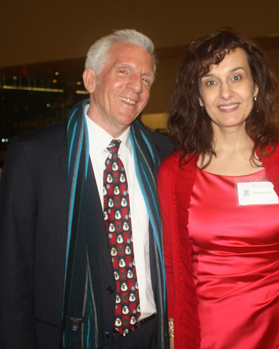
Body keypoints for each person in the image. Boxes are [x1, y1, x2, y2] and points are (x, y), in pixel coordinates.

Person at [0, 29, 174, 348]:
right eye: (124, 71)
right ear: (90, 80)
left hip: (152, 336)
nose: (137, 86)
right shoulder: (34, 154)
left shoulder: (165, 155)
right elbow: (12, 275)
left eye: (147, 79)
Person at [157, 28, 279, 349]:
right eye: (210, 82)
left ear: (256, 86)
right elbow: (170, 262)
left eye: (236, 78)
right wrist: (174, 326)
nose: (225, 93)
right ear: (196, 96)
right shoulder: (173, 174)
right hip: (210, 332)